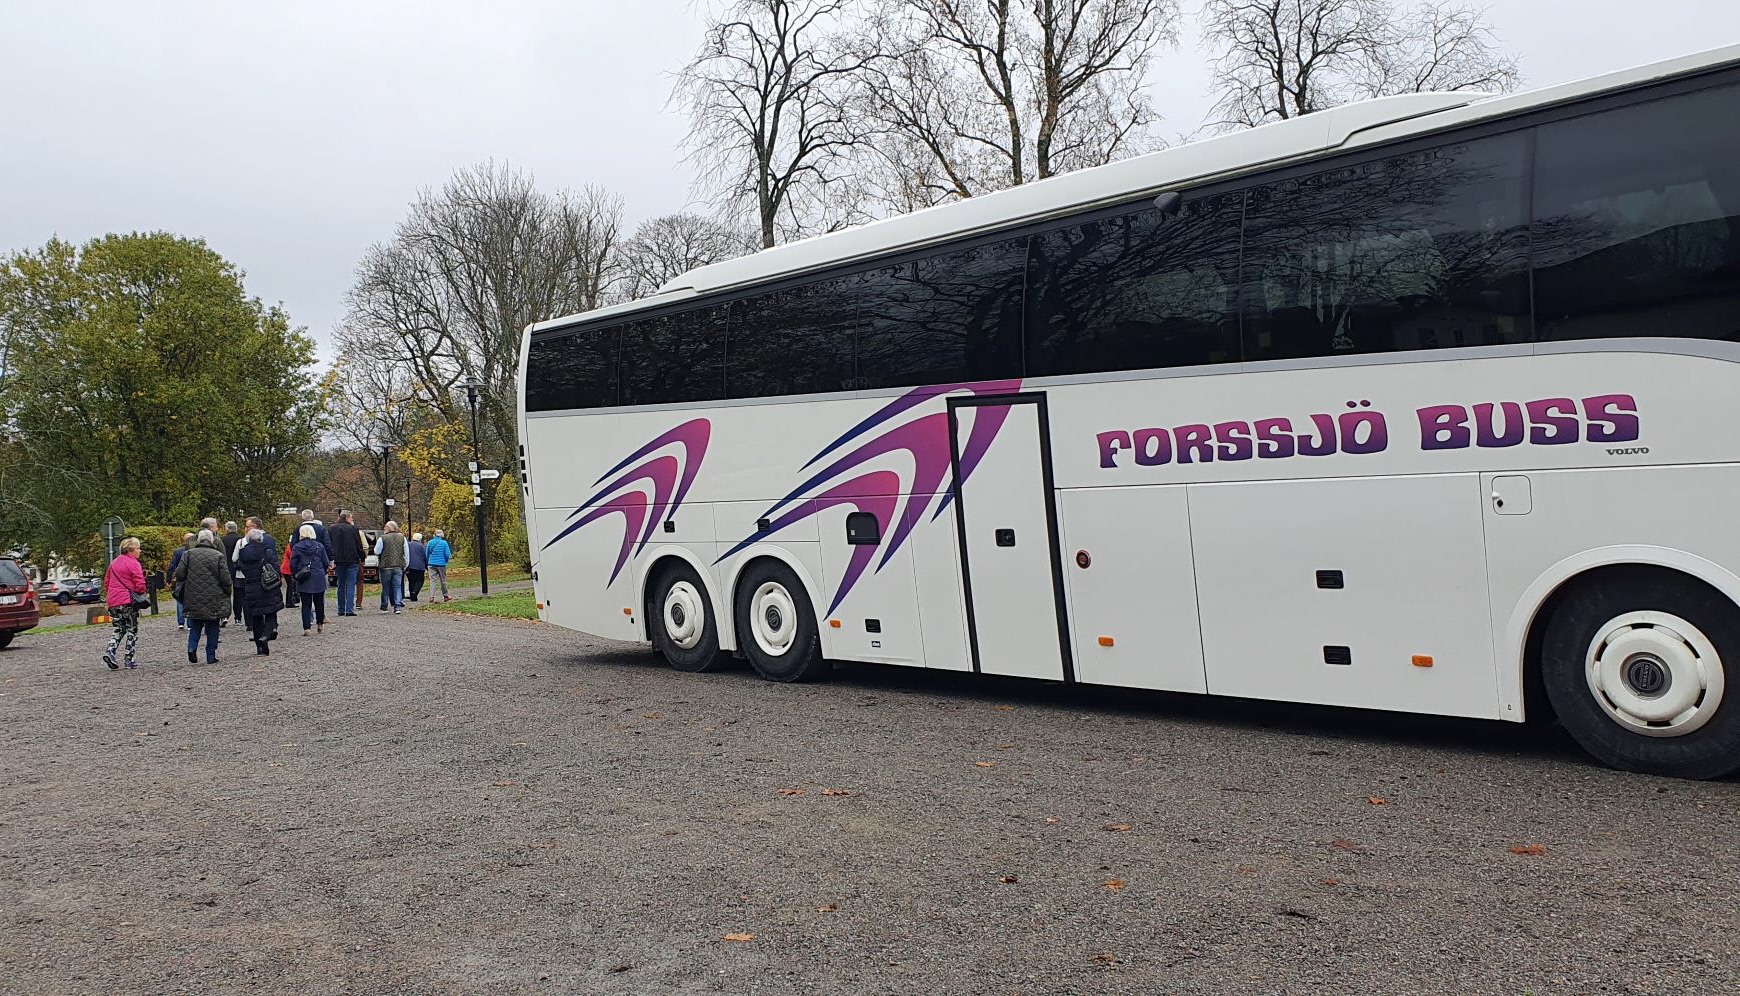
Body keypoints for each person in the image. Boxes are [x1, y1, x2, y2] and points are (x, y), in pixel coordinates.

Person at [175, 529, 232, 664]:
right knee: (213, 626)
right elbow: (225, 579)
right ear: (212, 540)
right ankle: (210, 656)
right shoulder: (218, 555)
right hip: (214, 595)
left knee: (196, 624)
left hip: (193, 594)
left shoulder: (188, 554)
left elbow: (180, 573)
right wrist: (227, 592)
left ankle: (191, 648)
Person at [234, 521, 282, 656]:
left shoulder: (243, 553)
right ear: (261, 539)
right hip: (267, 586)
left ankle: (260, 648)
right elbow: (276, 569)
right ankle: (267, 634)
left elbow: (239, 566)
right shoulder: (267, 552)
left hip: (250, 586)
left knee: (256, 617)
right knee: (270, 612)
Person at [102, 537, 147, 670]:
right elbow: (140, 583)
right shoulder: (133, 563)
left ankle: (110, 651)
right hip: (127, 600)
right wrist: (141, 593)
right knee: (132, 628)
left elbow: (107, 582)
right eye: (138, 548)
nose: (140, 551)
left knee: (119, 628)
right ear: (131, 550)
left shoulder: (114, 563)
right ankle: (129, 659)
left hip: (113, 601)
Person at [291, 524, 331, 634]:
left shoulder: (297, 547)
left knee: (305, 604)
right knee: (319, 602)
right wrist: (323, 571)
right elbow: (325, 562)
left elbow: (293, 564)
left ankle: (307, 627)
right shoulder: (319, 546)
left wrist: (295, 574)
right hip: (318, 574)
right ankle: (320, 623)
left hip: (303, 576)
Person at [328, 511, 365, 617]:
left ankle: (340, 609)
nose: (352, 519)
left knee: (341, 584)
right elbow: (359, 545)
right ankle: (349, 609)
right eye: (351, 517)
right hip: (352, 559)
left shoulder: (332, 529)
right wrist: (362, 557)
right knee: (351, 585)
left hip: (339, 560)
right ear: (347, 517)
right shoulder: (354, 529)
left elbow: (330, 545)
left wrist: (331, 558)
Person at [375, 521, 408, 614]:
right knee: (397, 586)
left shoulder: (382, 538)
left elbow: (377, 551)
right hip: (398, 566)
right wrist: (406, 564)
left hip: (386, 566)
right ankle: (397, 607)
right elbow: (406, 552)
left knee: (386, 587)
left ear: (389, 528)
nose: (384, 528)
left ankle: (384, 606)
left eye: (385, 526)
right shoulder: (402, 538)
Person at [168, 532, 195, 630]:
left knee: (180, 599)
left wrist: (169, 578)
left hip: (180, 578)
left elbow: (172, 566)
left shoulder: (178, 551)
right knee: (191, 600)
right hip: (191, 578)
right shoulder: (195, 551)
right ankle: (190, 623)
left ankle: (180, 622)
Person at [221, 521, 243, 625]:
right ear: (236, 528)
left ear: (226, 529)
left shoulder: (222, 540)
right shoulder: (241, 540)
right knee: (239, 594)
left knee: (225, 593)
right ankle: (238, 617)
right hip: (238, 569)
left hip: (225, 569)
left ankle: (224, 616)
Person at [425, 529, 453, 602]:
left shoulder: (430, 542)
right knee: (443, 580)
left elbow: (427, 553)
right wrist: (445, 561)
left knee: (432, 580)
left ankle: (431, 597)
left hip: (431, 564)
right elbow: (447, 554)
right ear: (442, 535)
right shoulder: (444, 543)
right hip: (441, 564)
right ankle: (445, 596)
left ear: (434, 535)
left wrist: (429, 560)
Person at [406, 531, 428, 602]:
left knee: (411, 581)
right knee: (420, 580)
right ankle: (415, 592)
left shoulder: (408, 544)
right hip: (419, 566)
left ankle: (412, 596)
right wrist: (427, 566)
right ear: (420, 539)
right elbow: (425, 556)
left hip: (409, 566)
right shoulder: (422, 546)